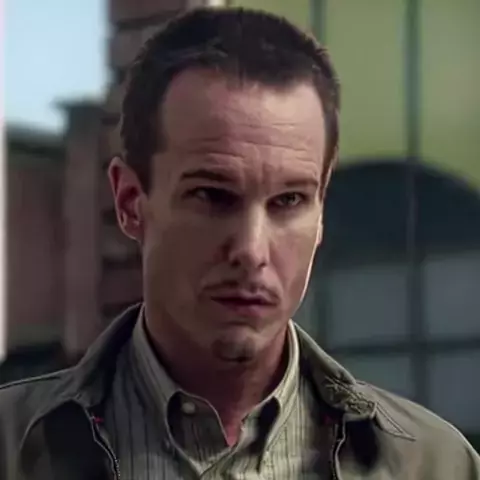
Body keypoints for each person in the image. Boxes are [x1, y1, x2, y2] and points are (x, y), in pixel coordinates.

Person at [1, 7, 479, 480]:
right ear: (130, 202)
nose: (251, 250)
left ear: (320, 214)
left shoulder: (432, 465)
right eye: (212, 196)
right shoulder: (13, 448)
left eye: (289, 200)